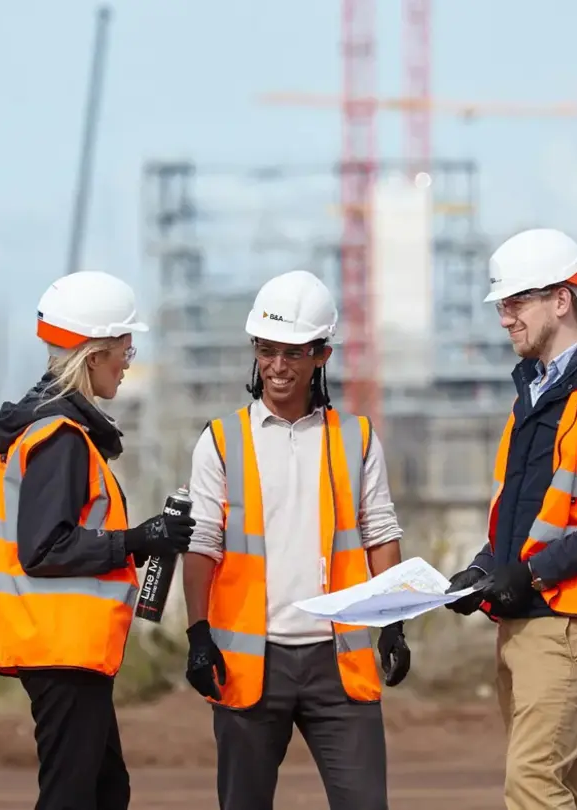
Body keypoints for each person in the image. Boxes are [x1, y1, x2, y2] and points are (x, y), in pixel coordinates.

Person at [181, 269, 411, 810]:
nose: (277, 367)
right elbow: (202, 547)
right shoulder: (220, 441)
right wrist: (197, 633)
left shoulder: (355, 438)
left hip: (340, 661)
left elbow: (380, 532)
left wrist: (394, 624)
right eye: (266, 351)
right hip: (249, 661)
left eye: (292, 353)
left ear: (321, 355)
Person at [444, 228, 577, 810]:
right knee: (562, 787)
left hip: (568, 622)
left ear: (561, 300)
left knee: (533, 784)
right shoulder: (532, 396)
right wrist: (484, 569)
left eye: (515, 303)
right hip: (522, 621)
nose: (505, 319)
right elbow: (519, 513)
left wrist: (533, 574)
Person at [0, 270, 195, 810]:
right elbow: (44, 549)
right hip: (61, 648)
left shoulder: (48, 430)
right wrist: (134, 540)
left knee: (104, 790)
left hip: (62, 647)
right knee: (73, 797)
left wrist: (139, 539)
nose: (129, 359)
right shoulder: (60, 438)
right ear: (93, 353)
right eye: (125, 346)